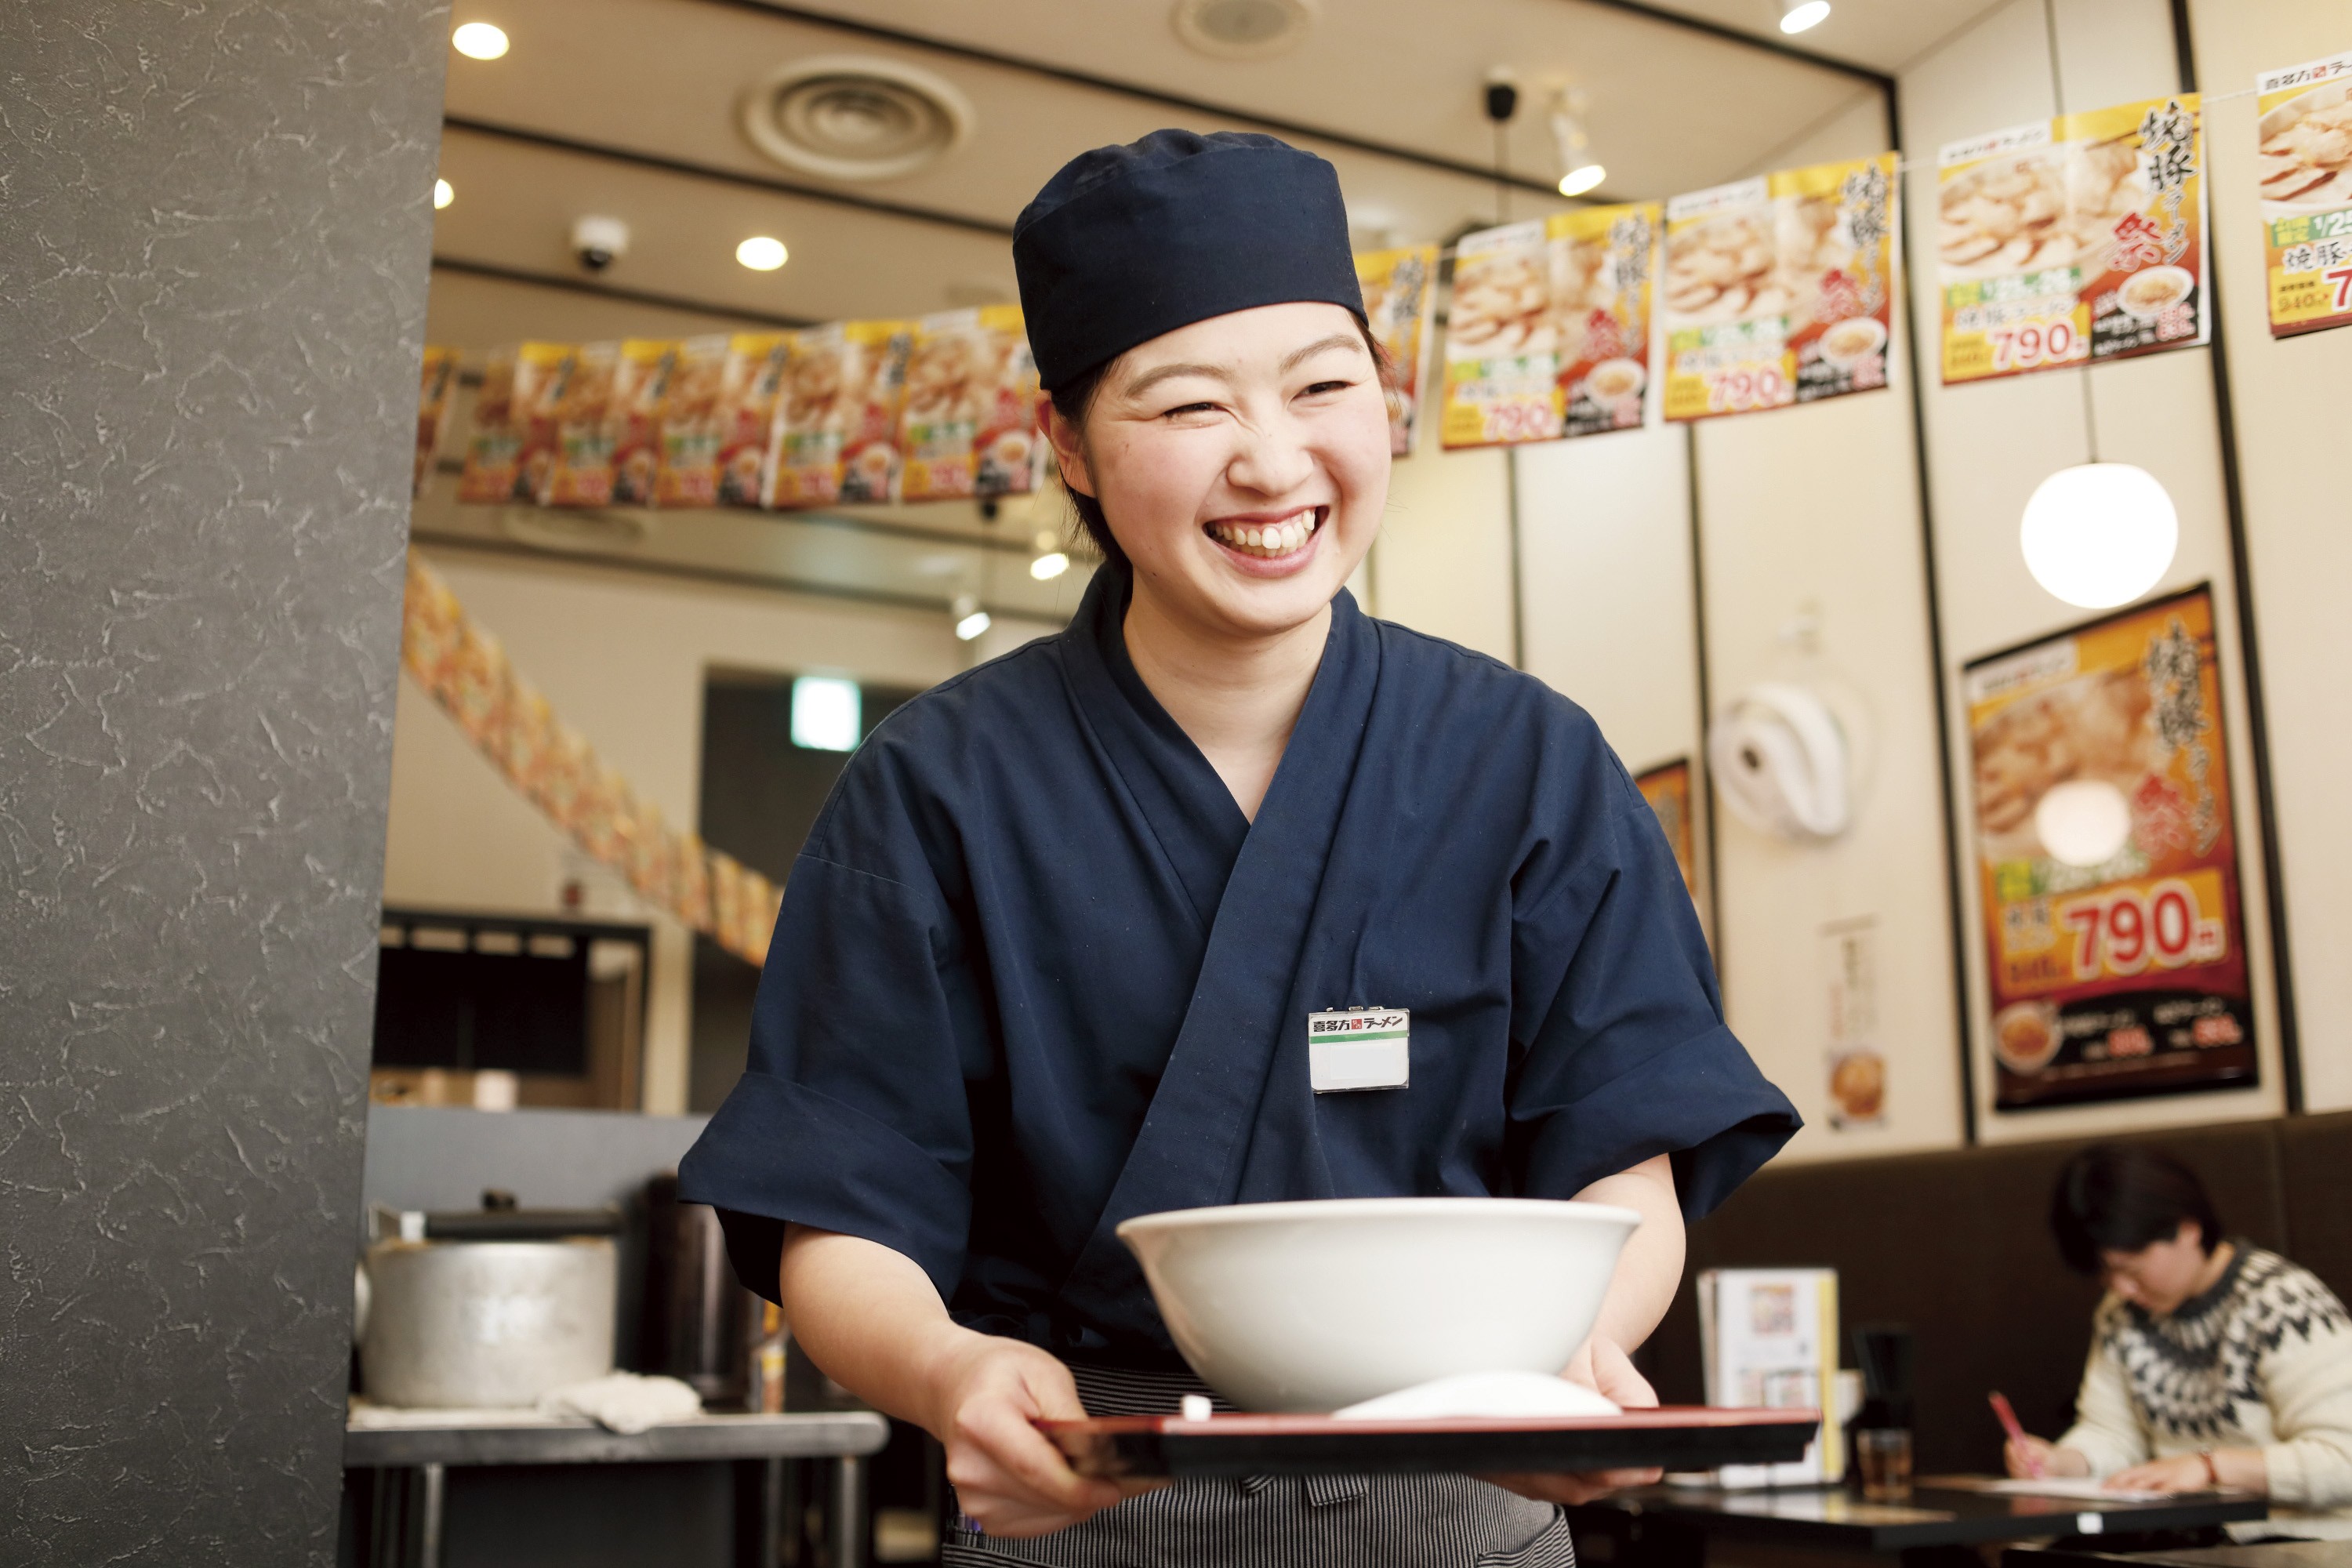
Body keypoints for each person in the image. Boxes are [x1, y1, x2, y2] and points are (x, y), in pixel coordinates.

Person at [681, 129, 1800, 1565]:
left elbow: (1624, 1161)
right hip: (1087, 1501)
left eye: (1325, 385)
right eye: (1189, 406)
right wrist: (952, 1373)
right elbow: (838, 1211)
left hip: (1458, 1507)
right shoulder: (936, 787)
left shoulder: (1528, 761)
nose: (1275, 461)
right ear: (1070, 449)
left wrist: (1571, 1358)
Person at [2005, 1145, 2352, 1537]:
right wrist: (2063, 1462)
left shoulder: (2282, 1304)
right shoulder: (2122, 1314)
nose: (2122, 1288)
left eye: (2131, 1270)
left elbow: (2344, 1458)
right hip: (2182, 1537)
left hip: (2293, 1544)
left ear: (2188, 1229)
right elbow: (2114, 1432)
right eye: (2105, 1275)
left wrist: (2209, 1468)